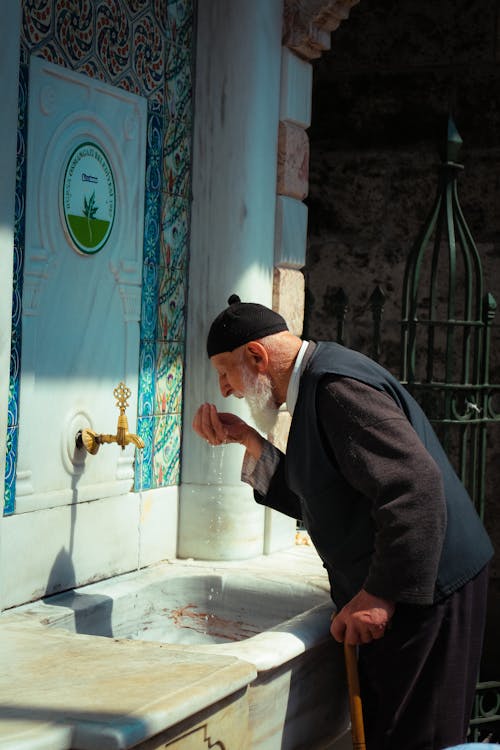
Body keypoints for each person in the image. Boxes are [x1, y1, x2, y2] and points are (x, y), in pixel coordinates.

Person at [193, 294, 494, 750]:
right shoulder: (316, 386)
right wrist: (251, 443)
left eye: (224, 372)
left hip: (429, 591)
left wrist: (379, 595)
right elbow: (328, 495)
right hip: (420, 585)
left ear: (256, 356)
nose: (225, 390)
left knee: (414, 740)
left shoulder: (334, 388)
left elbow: (414, 487)